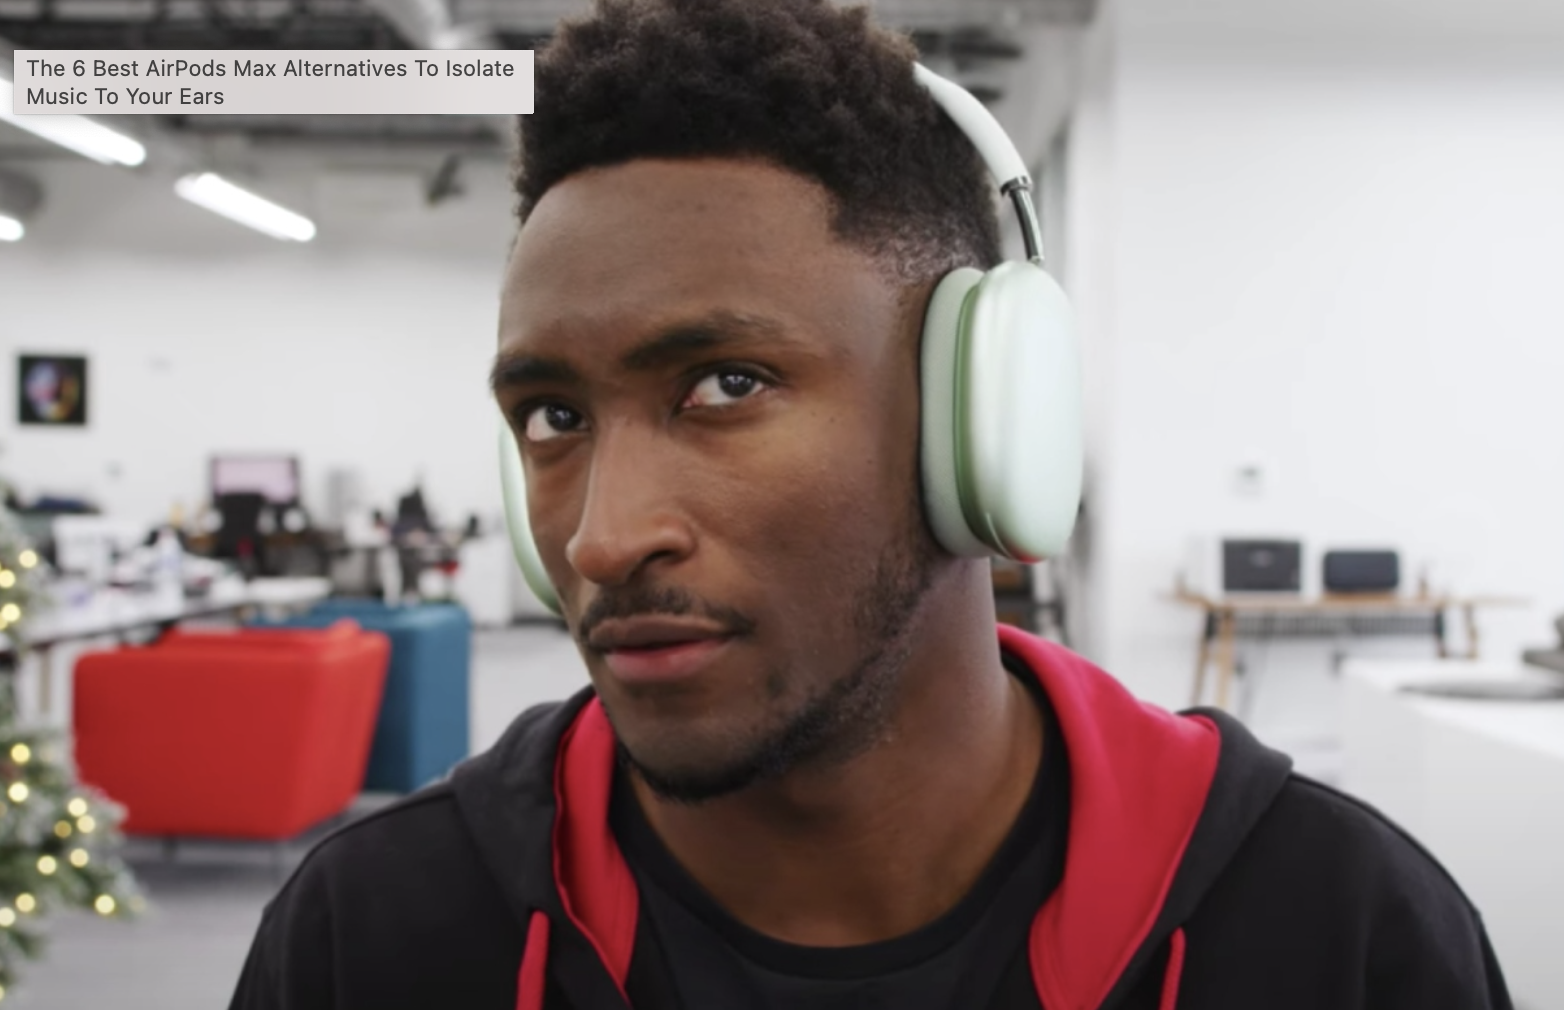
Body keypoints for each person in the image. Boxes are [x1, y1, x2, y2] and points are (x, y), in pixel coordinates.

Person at [229, 1, 1512, 1008]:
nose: (602, 537)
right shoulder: (375, 934)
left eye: (725, 384)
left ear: (980, 425)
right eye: (554, 416)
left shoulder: (1334, 930)